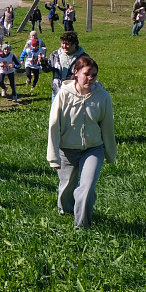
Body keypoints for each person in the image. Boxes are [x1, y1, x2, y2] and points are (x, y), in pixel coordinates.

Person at [47, 56, 116, 229]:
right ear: (76, 73)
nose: (91, 78)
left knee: (86, 189)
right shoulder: (63, 94)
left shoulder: (102, 97)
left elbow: (107, 126)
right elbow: (54, 126)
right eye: (87, 74)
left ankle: (82, 227)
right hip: (67, 149)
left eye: (94, 75)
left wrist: (110, 153)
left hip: (93, 149)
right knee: (67, 188)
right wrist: (54, 156)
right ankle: (66, 211)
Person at [46, 31, 88, 99]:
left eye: (67, 44)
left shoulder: (83, 58)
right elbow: (47, 69)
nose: (64, 46)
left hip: (74, 94)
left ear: (75, 44)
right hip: (57, 92)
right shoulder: (55, 55)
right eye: (63, 43)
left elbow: (87, 76)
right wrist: (43, 63)